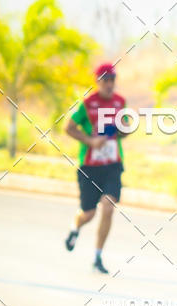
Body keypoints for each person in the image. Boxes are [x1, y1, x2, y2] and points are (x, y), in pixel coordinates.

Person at [64, 62, 127, 274]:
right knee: (89, 214)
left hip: (112, 164)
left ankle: (98, 256)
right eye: (105, 80)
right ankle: (75, 226)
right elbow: (69, 128)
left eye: (112, 80)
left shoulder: (120, 102)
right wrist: (91, 141)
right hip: (90, 167)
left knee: (108, 206)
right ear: (98, 81)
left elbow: (125, 130)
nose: (110, 84)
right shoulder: (87, 104)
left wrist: (124, 129)